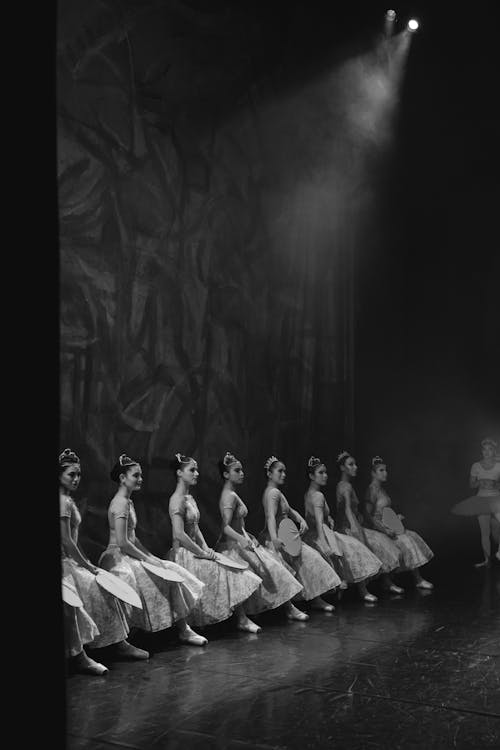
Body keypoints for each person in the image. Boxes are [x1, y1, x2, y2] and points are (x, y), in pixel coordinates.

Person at [99, 453, 207, 646]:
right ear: (123, 478)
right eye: (135, 475)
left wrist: (150, 556)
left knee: (169, 570)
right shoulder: (120, 503)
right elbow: (123, 543)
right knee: (147, 579)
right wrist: (147, 560)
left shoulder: (128, 501)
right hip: (118, 557)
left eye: (141, 475)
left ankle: (183, 629)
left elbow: (133, 539)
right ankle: (124, 641)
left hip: (129, 554)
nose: (140, 479)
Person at [59, 449, 149, 669]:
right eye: (71, 474)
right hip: (64, 565)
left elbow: (73, 542)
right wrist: (86, 565)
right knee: (96, 591)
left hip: (69, 562)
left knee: (103, 589)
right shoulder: (62, 502)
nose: (76, 479)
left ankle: (118, 642)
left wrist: (84, 563)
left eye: (78, 474)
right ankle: (84, 654)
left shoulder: (67, 500)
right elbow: (67, 542)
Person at [168, 453, 262, 632]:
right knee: (227, 571)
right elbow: (179, 534)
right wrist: (201, 552)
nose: (196, 473)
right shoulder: (176, 500)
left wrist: (206, 548)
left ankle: (241, 618)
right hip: (183, 554)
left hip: (195, 551)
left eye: (196, 470)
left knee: (232, 569)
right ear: (179, 473)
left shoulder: (188, 498)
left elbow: (195, 528)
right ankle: (185, 629)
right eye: (192, 470)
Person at [215, 452, 305, 621]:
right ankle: (244, 619)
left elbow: (237, 524)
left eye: (241, 470)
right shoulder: (229, 496)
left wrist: (246, 535)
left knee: (274, 569)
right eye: (237, 470)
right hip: (235, 547)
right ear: (226, 474)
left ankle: (289, 608)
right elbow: (225, 527)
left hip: (243, 542)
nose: (242, 473)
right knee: (261, 573)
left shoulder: (232, 494)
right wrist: (242, 539)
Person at [260, 456, 341, 614]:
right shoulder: (272, 493)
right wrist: (274, 538)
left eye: (284, 471)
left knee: (310, 563)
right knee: (290, 571)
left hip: (288, 538)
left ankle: (315, 599)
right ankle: (291, 608)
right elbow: (270, 516)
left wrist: (300, 519)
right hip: (279, 539)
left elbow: (289, 510)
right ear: (270, 474)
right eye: (280, 471)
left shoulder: (276, 492)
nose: (283, 474)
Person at [303, 456, 381, 603]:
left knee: (346, 555)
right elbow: (319, 521)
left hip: (313, 534)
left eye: (325, 472)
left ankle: (348, 592)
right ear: (311, 476)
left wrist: (329, 519)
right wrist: (323, 540)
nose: (325, 476)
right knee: (352, 550)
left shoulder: (308, 494)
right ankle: (361, 591)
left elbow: (313, 516)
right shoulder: (318, 495)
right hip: (322, 533)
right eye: (321, 473)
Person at [336, 451, 404, 595]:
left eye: (355, 464)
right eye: (350, 465)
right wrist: (355, 528)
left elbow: (353, 510)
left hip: (353, 523)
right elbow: (347, 509)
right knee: (367, 548)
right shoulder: (345, 486)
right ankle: (363, 590)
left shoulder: (346, 485)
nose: (355, 467)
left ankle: (381, 583)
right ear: (343, 468)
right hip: (347, 527)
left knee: (381, 544)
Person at [365, 456, 433, 589]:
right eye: (381, 470)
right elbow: (368, 516)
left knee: (410, 538)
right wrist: (385, 530)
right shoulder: (372, 490)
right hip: (376, 529)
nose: (385, 473)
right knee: (404, 542)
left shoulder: (381, 489)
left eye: (385, 470)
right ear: (373, 473)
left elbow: (383, 511)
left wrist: (395, 518)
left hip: (387, 524)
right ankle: (391, 581)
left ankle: (415, 579)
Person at [451, 438, 500, 567]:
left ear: (494, 451)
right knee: (485, 532)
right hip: (481, 500)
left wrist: (495, 484)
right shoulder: (476, 466)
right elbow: (471, 484)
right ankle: (487, 561)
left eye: (490, 449)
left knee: (497, 529)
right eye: (484, 449)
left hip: (496, 500)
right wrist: (480, 482)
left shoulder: (499, 465)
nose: (487, 452)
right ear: (481, 451)